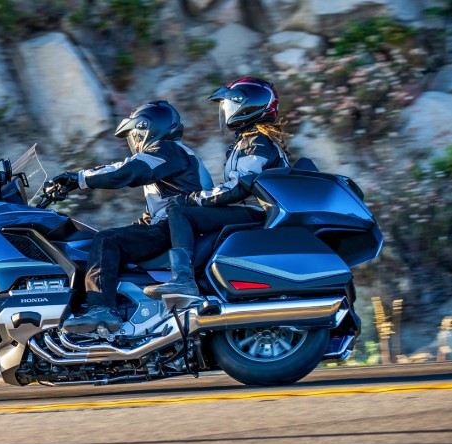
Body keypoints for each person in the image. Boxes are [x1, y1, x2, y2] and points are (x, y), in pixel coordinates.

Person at [47, 101, 211, 335]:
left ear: (147, 129)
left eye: (134, 134)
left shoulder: (166, 149)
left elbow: (126, 171)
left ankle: (101, 310)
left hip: (174, 228)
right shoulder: (176, 154)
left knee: (106, 240)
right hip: (177, 225)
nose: (133, 141)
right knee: (113, 236)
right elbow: (160, 205)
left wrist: (79, 178)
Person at [144, 77, 291, 298]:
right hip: (256, 210)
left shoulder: (255, 141)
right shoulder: (254, 139)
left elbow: (240, 187)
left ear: (247, 105)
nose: (225, 111)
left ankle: (183, 279)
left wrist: (195, 198)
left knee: (180, 210)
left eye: (229, 104)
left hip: (257, 211)